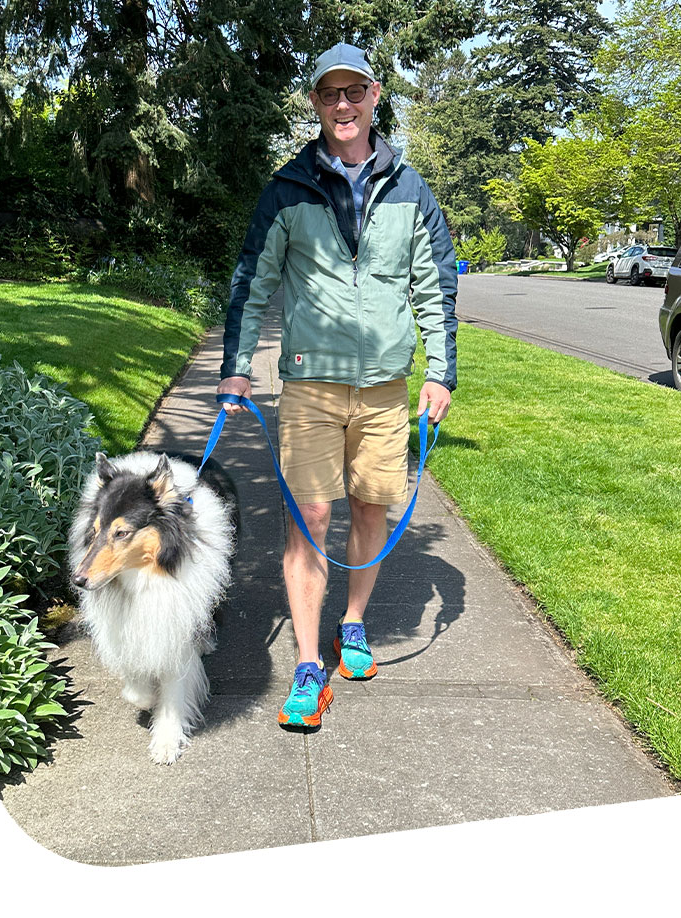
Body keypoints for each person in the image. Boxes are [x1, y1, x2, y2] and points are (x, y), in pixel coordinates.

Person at [217, 42, 458, 728]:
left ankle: (351, 623)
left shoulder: (410, 189)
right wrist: (236, 365)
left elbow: (434, 288)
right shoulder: (288, 188)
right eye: (330, 94)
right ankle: (306, 663)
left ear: (376, 96)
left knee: (371, 508)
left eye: (355, 92)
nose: (343, 105)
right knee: (309, 520)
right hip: (310, 388)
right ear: (317, 104)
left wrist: (440, 372)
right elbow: (252, 280)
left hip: (384, 388)